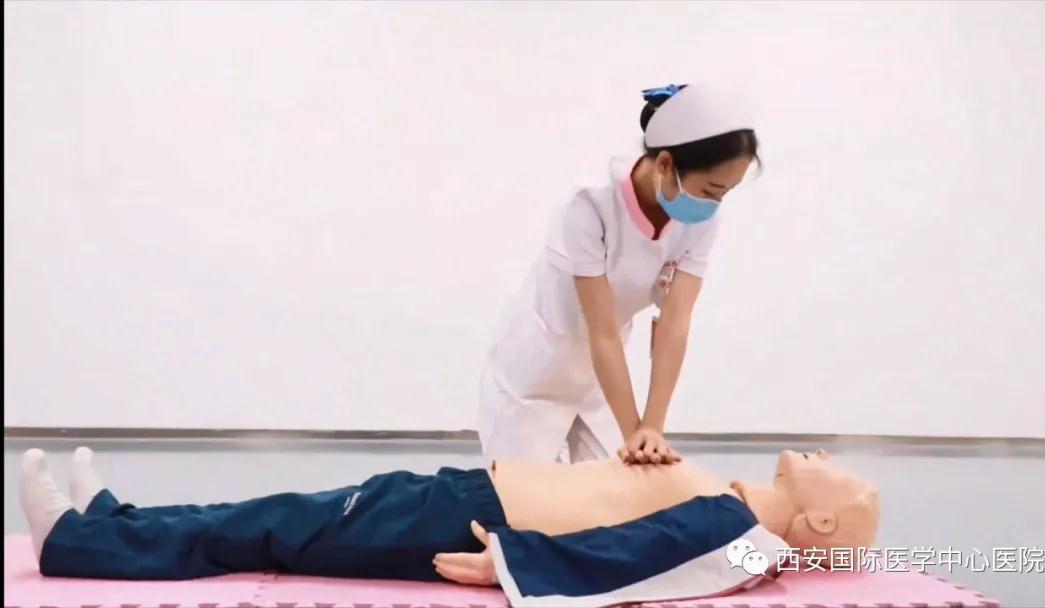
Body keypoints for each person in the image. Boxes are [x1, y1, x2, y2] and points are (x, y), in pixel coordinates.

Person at [19, 447, 877, 608]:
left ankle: (75, 544)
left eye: (846, 476)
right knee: (281, 515)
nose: (832, 457)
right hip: (473, 492)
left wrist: (515, 562)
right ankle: (113, 522)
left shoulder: (742, 534)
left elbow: (643, 562)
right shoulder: (732, 508)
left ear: (821, 518)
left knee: (278, 525)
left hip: (479, 520)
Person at [478, 83, 761, 464]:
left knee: (625, 487)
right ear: (665, 164)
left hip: (602, 381)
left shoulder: (701, 220)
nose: (715, 203)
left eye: (726, 192)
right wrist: (633, 435)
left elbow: (675, 323)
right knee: (525, 495)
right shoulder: (590, 204)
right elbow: (603, 331)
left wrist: (651, 428)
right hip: (535, 374)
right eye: (711, 189)